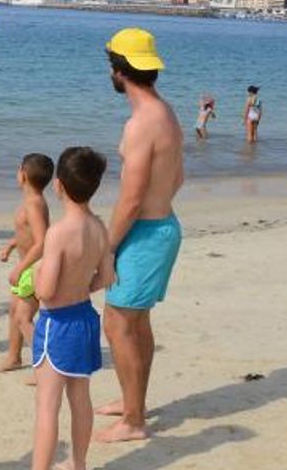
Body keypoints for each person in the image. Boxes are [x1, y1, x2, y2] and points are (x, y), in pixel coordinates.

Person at [94, 28, 185, 443]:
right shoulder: (164, 112)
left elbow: (129, 201)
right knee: (135, 324)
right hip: (159, 227)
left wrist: (107, 250)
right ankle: (133, 404)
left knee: (118, 325)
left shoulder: (141, 124)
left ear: (119, 70)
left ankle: (133, 421)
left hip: (145, 234)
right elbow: (178, 176)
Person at [30, 147, 114, 470]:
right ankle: (78, 464)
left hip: (57, 323)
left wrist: (38, 279)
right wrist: (81, 285)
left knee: (47, 406)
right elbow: (106, 277)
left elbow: (47, 291)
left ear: (58, 186)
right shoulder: (99, 228)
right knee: (80, 400)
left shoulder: (59, 233)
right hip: (85, 318)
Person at [0, 153, 52, 376]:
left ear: (24, 175)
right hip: (26, 266)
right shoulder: (29, 202)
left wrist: (21, 268)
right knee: (13, 312)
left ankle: (44, 367)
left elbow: (41, 241)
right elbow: (25, 233)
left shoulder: (34, 205)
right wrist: (10, 245)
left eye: (18, 170)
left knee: (23, 318)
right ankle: (14, 357)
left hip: (33, 269)